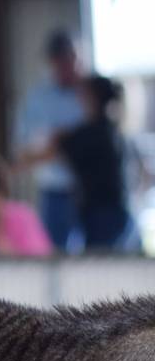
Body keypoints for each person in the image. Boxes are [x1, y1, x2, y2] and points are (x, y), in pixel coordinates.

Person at [22, 75, 138, 252]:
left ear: (92, 98)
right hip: (115, 214)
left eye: (83, 94)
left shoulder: (91, 135)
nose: (78, 98)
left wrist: (10, 168)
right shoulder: (110, 130)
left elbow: (47, 153)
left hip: (103, 217)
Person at [14, 31, 86, 251]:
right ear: (52, 62)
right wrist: (54, 147)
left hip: (90, 191)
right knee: (56, 255)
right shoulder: (38, 98)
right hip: (54, 191)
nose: (67, 66)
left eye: (71, 59)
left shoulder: (89, 92)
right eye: (61, 60)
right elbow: (23, 151)